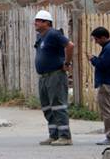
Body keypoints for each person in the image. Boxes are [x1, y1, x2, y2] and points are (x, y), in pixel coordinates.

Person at [34, 10, 74, 146]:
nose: (36, 23)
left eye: (39, 20)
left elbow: (70, 45)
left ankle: (65, 136)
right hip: (44, 76)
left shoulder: (53, 34)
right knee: (47, 107)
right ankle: (54, 134)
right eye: (36, 20)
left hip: (55, 75)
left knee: (58, 106)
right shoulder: (40, 37)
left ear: (47, 23)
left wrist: (67, 63)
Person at [88, 27, 110, 146]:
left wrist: (93, 59)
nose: (96, 42)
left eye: (97, 39)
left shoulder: (109, 48)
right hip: (109, 82)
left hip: (107, 84)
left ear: (103, 37)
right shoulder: (109, 47)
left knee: (107, 111)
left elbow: (103, 65)